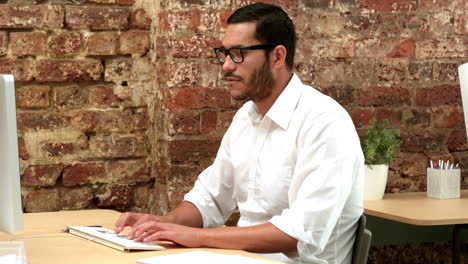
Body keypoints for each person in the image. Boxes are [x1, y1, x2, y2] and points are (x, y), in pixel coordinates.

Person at [114, 3, 364, 264]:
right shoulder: (246, 117)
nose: (225, 67)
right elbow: (209, 198)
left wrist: (196, 236)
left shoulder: (324, 122)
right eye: (224, 54)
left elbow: (299, 233)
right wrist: (160, 224)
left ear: (277, 57)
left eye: (238, 54)